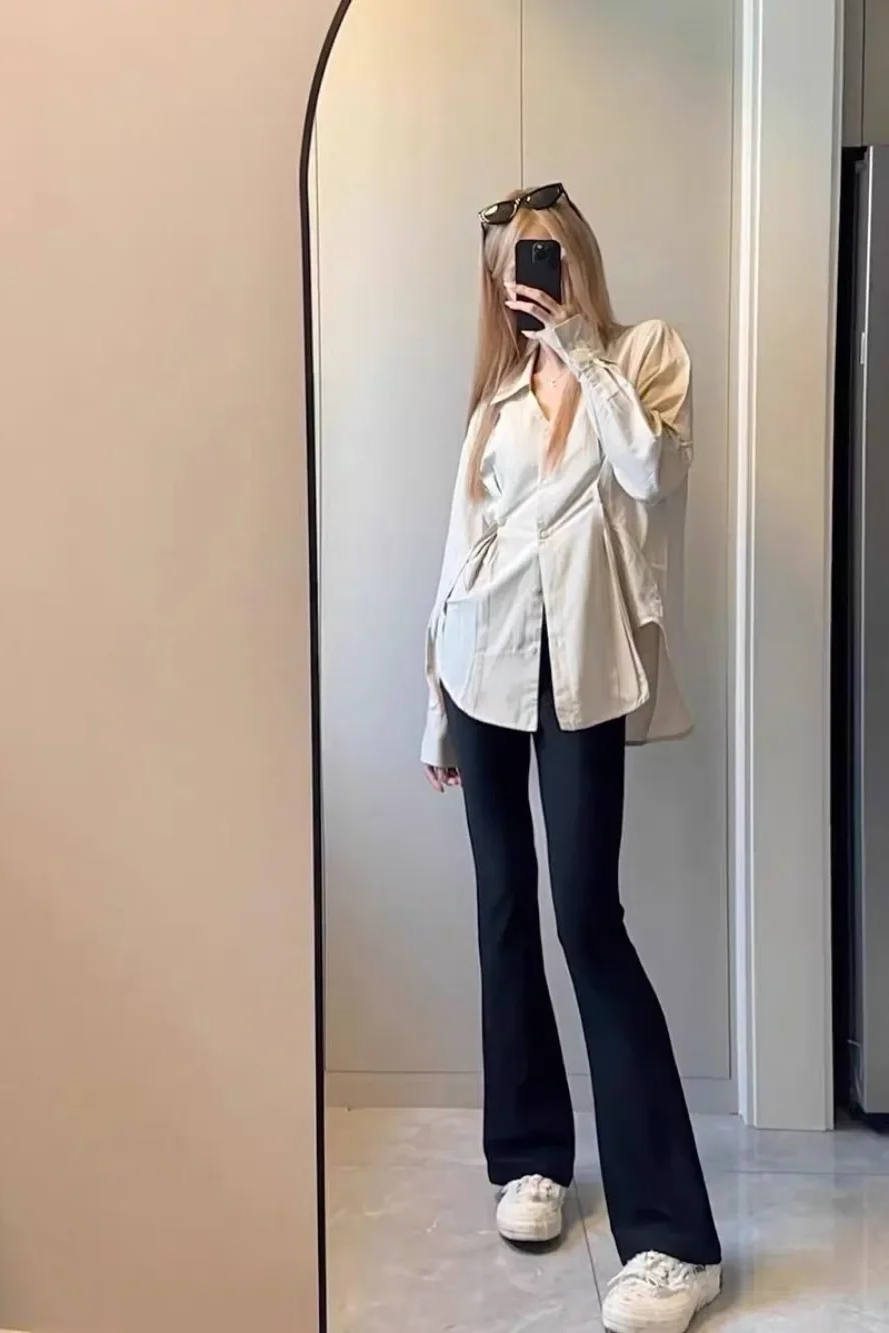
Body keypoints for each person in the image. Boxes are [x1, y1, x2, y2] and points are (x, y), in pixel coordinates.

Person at [420, 183, 722, 1333]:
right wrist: (432, 708)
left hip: (579, 673)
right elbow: (457, 552)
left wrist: (582, 349)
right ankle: (530, 1158)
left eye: (541, 253)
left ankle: (674, 1243)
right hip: (478, 670)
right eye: (510, 263)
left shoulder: (642, 355)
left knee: (587, 921)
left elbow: (653, 476)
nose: (526, 277)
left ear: (577, 255)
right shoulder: (494, 396)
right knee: (503, 906)